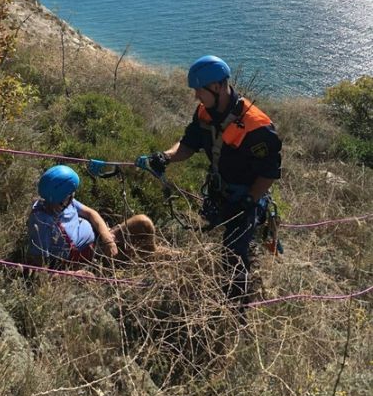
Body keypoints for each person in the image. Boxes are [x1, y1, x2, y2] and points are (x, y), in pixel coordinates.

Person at [137, 55, 282, 306]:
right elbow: (189, 144)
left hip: (245, 197)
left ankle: (238, 308)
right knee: (214, 235)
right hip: (219, 191)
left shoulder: (256, 126)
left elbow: (268, 173)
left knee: (234, 251)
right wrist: (166, 157)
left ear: (216, 87)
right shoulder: (205, 112)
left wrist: (248, 200)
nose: (196, 97)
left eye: (198, 91)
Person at [27, 164, 157, 268]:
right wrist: (74, 275)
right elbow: (38, 268)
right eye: (70, 194)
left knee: (143, 222)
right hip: (93, 259)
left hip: (102, 240)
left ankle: (152, 256)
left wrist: (107, 239)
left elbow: (91, 213)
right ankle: (153, 260)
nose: (73, 196)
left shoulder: (65, 202)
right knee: (151, 253)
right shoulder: (42, 224)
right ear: (61, 197)